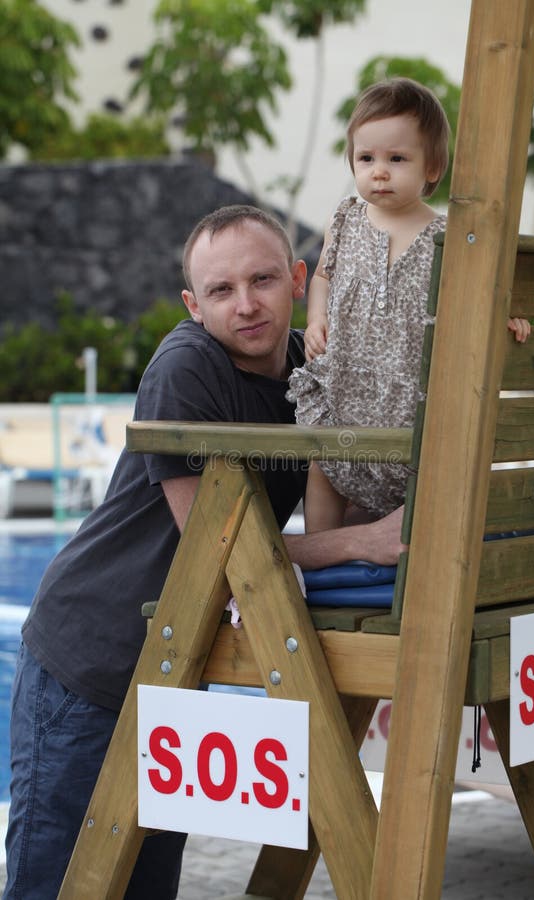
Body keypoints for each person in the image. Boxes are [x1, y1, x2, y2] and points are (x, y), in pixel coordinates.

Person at [3, 204, 406, 900]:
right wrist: (364, 543)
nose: (246, 305)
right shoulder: (187, 366)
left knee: (144, 889)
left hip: (174, 665)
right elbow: (214, 548)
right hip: (89, 662)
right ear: (194, 304)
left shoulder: (311, 373)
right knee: (54, 888)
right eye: (221, 291)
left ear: (298, 280)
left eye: (263, 280)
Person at [287, 78, 531, 533]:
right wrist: (316, 317)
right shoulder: (345, 219)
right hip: (347, 390)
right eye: (366, 158)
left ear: (432, 167)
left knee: (421, 482)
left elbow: (477, 295)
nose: (379, 171)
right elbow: (322, 276)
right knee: (324, 466)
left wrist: (505, 313)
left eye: (397, 159)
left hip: (410, 407)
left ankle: (411, 560)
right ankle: (322, 560)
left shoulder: (449, 236)